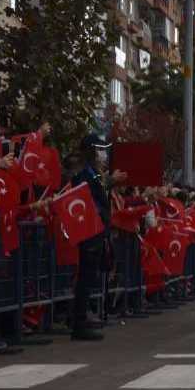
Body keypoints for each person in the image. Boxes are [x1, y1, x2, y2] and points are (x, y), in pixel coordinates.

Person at [70, 134, 126, 341]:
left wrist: (109, 180)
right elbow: (88, 196)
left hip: (96, 231)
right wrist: (110, 181)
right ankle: (79, 323)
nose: (104, 154)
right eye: (100, 150)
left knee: (90, 277)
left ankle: (82, 319)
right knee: (85, 278)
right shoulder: (84, 173)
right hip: (88, 231)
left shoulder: (93, 173)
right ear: (91, 151)